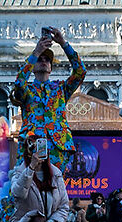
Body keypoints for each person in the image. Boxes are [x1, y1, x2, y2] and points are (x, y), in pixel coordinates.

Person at [13, 26, 86, 166]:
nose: (44, 61)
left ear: (51, 68)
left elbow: (80, 72)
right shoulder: (26, 90)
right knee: (26, 184)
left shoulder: (60, 89)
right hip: (31, 145)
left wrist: (63, 43)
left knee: (56, 186)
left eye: (47, 60)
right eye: (40, 59)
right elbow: (19, 82)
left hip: (57, 146)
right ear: (33, 67)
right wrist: (36, 52)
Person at [4, 142, 78, 222]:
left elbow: (64, 205)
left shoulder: (55, 174)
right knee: (38, 220)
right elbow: (18, 193)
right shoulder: (19, 172)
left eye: (42, 148)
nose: (38, 152)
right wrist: (31, 167)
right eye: (34, 149)